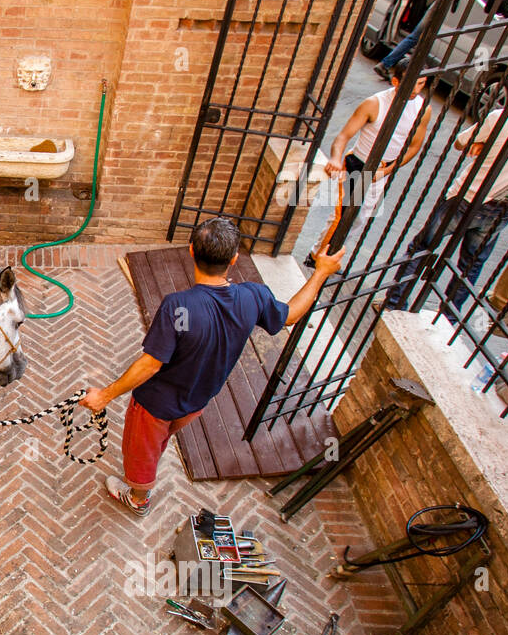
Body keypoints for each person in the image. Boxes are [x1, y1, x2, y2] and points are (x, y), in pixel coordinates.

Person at [80, 218, 344, 516]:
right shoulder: (253, 296)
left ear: (191, 251)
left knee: (141, 454)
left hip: (155, 406)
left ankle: (139, 498)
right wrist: (320, 272)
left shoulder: (177, 306)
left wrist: (104, 396)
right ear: (234, 258)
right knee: (161, 440)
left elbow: (150, 365)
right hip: (197, 402)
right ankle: (152, 463)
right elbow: (292, 314)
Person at [384, 56, 508, 315]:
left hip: (466, 197)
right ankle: (448, 319)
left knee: (422, 248)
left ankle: (395, 304)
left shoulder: (502, 118)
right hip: (503, 206)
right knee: (470, 267)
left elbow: (462, 143)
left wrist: (482, 143)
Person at [319, 59, 431, 257]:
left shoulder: (423, 109)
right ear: (396, 82)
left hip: (384, 169)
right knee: (343, 216)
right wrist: (336, 158)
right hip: (358, 164)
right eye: (412, 82)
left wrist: (386, 171)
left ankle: (335, 253)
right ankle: (318, 255)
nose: (416, 88)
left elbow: (414, 147)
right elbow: (343, 136)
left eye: (421, 83)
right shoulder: (374, 103)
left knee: (361, 217)